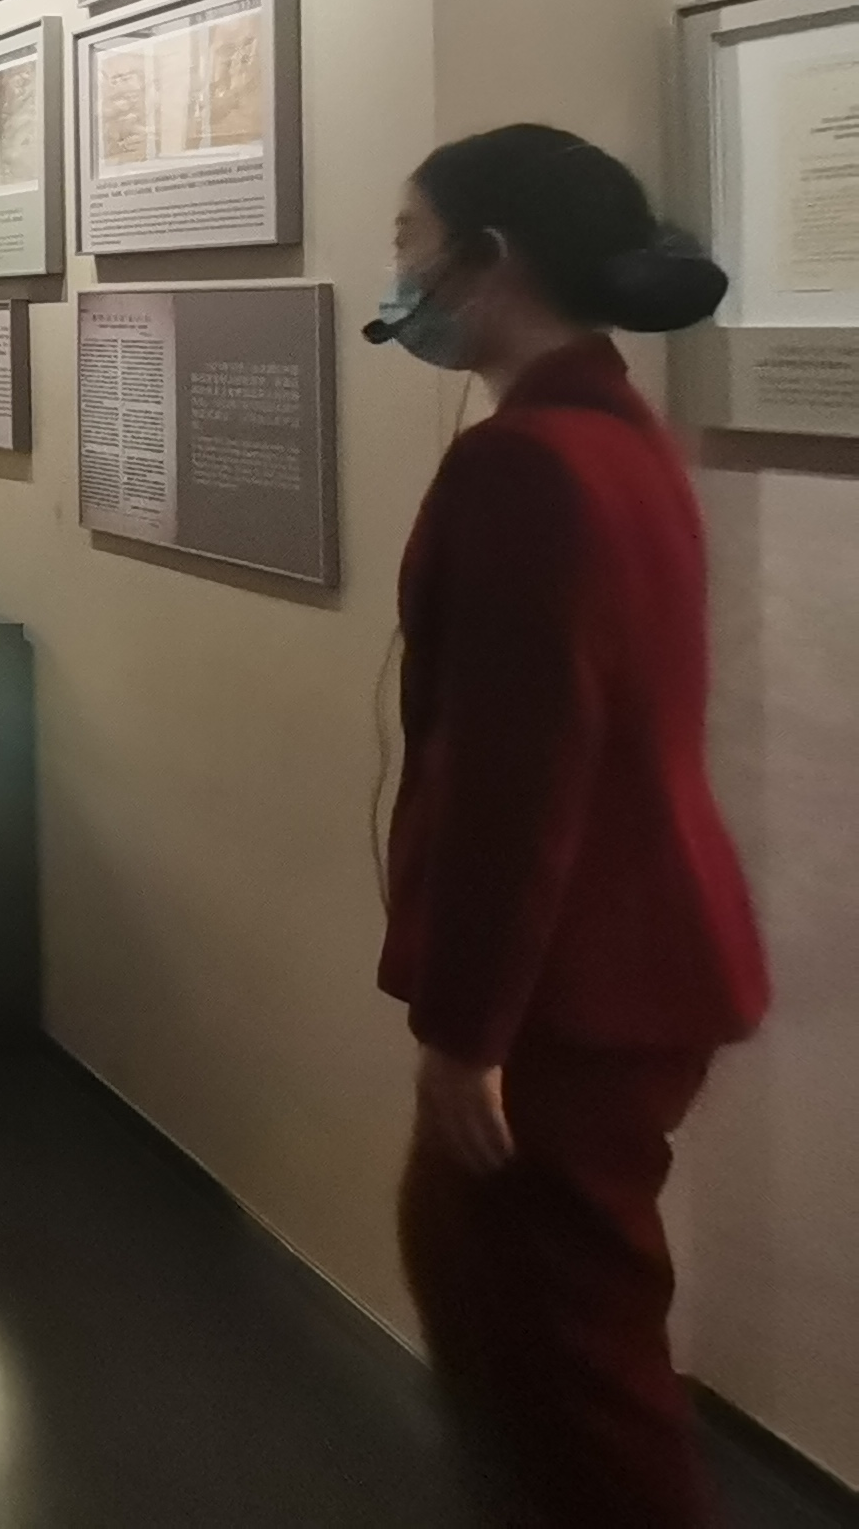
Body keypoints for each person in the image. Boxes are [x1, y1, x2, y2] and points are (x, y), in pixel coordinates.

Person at [369, 124, 768, 1529]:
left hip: (573, 983)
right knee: (506, 1307)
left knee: (574, 1364)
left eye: (412, 243)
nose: (400, 273)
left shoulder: (527, 464)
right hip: (626, 952)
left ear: (490, 259)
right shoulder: (612, 434)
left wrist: (468, 1030)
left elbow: (519, 773)